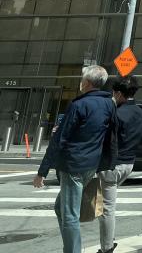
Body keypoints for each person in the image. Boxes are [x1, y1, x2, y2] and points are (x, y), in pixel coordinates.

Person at [33, 65, 117, 253]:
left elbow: (59, 138)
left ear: (86, 83)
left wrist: (42, 171)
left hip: (73, 165)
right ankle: (72, 248)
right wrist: (106, 163)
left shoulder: (79, 105)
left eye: (81, 79)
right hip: (90, 164)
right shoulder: (108, 104)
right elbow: (112, 135)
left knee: (69, 214)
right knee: (60, 208)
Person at [97, 76, 142, 253]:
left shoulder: (116, 114)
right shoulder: (141, 113)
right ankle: (109, 241)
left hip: (112, 165)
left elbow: (105, 139)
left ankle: (107, 247)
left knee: (106, 209)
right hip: (129, 163)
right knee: (106, 205)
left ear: (118, 93)